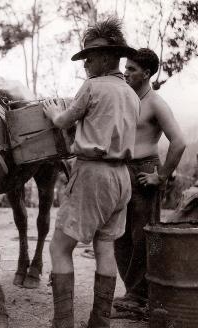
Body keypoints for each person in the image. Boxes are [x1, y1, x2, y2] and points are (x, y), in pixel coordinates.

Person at [42, 18, 140, 328]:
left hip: (93, 174)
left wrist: (52, 112)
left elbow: (63, 120)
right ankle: (99, 323)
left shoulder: (93, 86)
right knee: (105, 246)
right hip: (122, 177)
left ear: (110, 57)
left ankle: (63, 323)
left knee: (60, 246)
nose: (86, 63)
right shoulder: (131, 93)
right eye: (85, 58)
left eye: (91, 57)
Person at [113, 48, 186, 315]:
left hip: (145, 172)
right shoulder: (125, 98)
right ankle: (132, 295)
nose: (126, 72)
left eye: (132, 69)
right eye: (126, 67)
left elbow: (179, 142)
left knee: (142, 237)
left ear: (146, 73)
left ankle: (139, 298)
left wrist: (161, 176)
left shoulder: (155, 103)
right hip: (121, 170)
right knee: (118, 235)